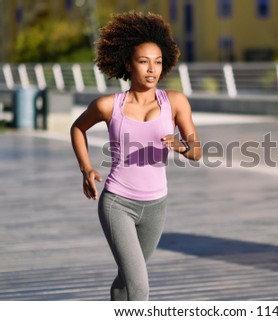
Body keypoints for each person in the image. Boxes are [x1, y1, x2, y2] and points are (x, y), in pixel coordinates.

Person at [70, 11, 201, 301]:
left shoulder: (175, 102)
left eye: (157, 62)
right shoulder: (108, 105)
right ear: (128, 64)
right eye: (143, 62)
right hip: (118, 203)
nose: (152, 69)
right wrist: (86, 168)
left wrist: (181, 146)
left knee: (127, 278)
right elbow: (78, 128)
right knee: (140, 285)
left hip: (156, 205)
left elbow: (197, 150)